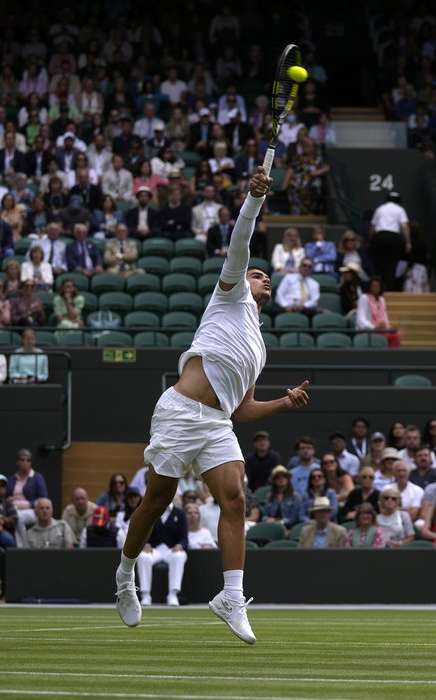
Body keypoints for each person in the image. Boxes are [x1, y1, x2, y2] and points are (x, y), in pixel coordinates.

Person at [114, 167, 309, 641]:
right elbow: (240, 242)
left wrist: (283, 403)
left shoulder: (259, 348)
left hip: (219, 422)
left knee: (235, 498)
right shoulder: (229, 296)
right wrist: (252, 201)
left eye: (265, 276)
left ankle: (230, 596)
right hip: (180, 411)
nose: (259, 276)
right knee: (156, 501)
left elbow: (240, 410)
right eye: (255, 273)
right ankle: (124, 577)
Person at [368, 191, 411, 292]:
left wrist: (370, 240)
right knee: (392, 264)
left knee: (379, 264)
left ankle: (378, 289)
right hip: (393, 237)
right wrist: (408, 242)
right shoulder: (400, 210)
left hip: (380, 236)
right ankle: (389, 289)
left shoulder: (380, 209)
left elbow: (373, 228)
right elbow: (404, 226)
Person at [356, 276, 400, 347]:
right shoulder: (364, 297)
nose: (375, 288)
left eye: (377, 286)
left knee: (396, 334)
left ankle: (392, 356)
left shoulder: (382, 300)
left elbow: (385, 317)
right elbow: (360, 319)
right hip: (368, 329)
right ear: (369, 287)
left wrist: (387, 327)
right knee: (384, 337)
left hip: (380, 330)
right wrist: (374, 327)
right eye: (373, 286)